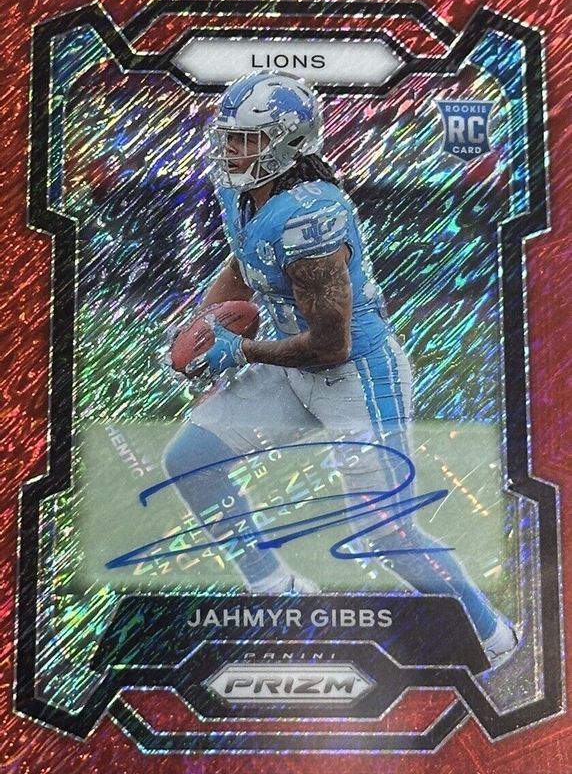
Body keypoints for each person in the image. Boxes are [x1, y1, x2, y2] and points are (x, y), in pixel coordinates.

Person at [163, 70, 518, 667]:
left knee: (384, 529)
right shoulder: (243, 194)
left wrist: (239, 353)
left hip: (354, 374)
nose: (231, 150)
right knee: (190, 459)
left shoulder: (311, 216)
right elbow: (245, 261)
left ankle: (491, 635)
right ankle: (275, 586)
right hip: (291, 362)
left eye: (247, 139)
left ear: (288, 143)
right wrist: (203, 328)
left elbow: (330, 344)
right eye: (229, 136)